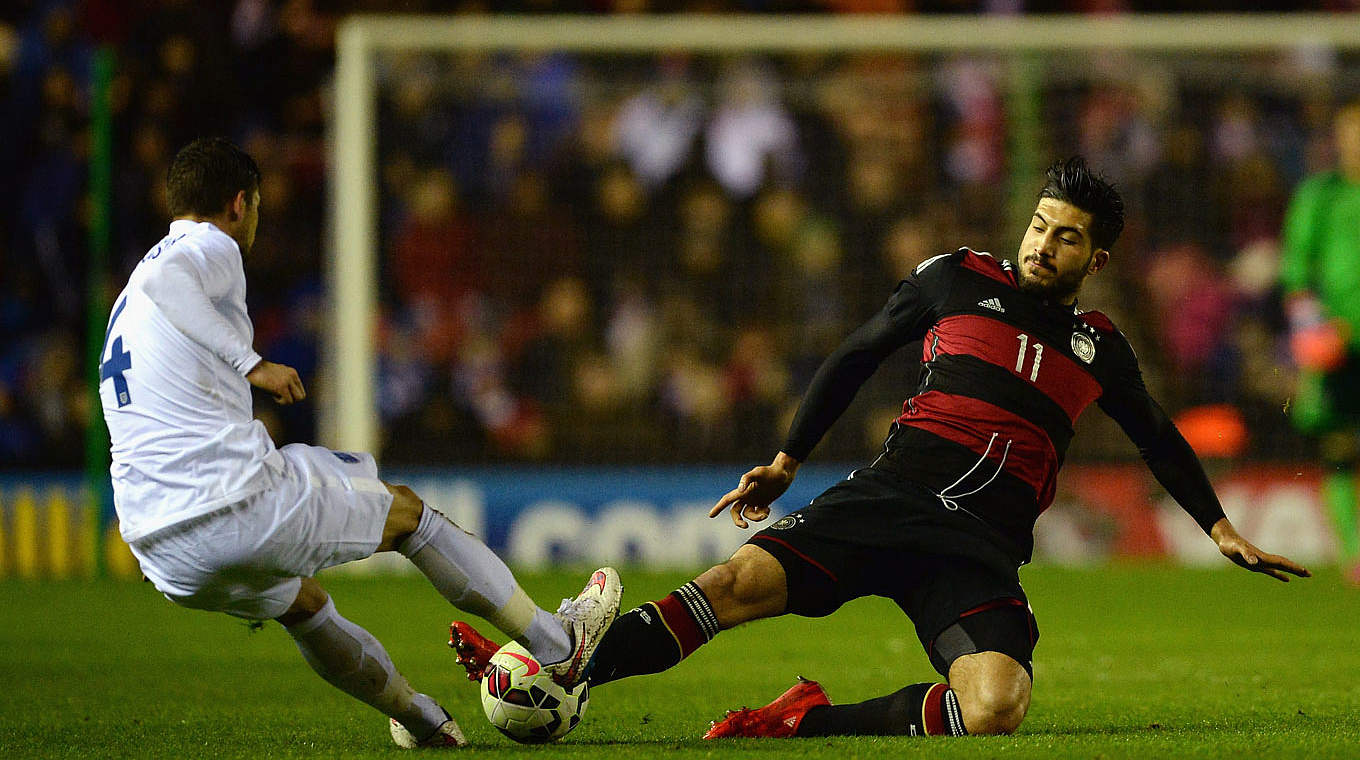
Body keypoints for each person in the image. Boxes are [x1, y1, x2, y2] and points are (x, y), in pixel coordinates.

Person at [448, 157, 1309, 739]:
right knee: (729, 586)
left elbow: (1158, 437)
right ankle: (558, 665)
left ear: (1099, 258)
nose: (1044, 244)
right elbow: (857, 354)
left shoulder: (1099, 347)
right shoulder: (956, 278)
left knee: (997, 708)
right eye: (1041, 225)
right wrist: (788, 458)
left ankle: (802, 720)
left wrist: (1218, 526)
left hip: (977, 548)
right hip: (887, 498)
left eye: (1068, 237)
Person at [98, 137, 622, 749]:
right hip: (231, 502)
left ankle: (422, 720)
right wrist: (252, 364)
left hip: (159, 547)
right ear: (240, 204)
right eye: (257, 207)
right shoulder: (201, 249)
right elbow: (168, 281)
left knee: (301, 603)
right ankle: (558, 643)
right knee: (408, 515)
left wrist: (156, 525)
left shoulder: (124, 305)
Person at [1280, 101, 1360, 585]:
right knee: (1339, 448)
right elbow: (1297, 272)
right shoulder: (1319, 196)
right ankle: (1355, 553)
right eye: (1350, 135)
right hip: (1336, 345)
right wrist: (1312, 328)